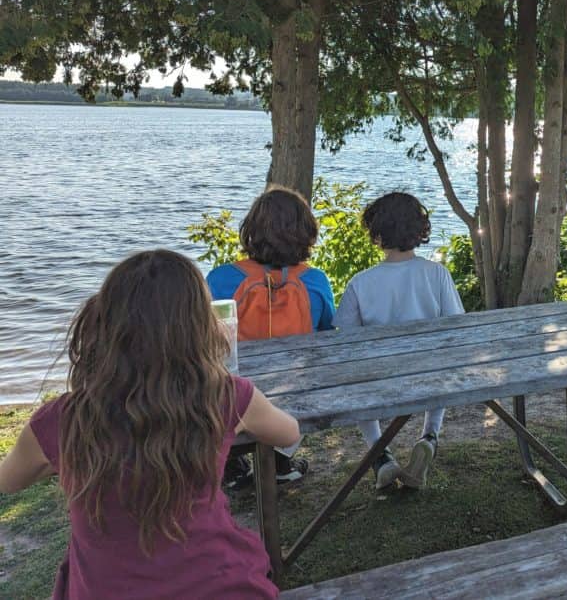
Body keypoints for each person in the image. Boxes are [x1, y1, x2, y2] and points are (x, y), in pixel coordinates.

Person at [0, 250, 300, 599]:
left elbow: (8, 481)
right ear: (198, 326)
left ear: (105, 323)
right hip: (222, 585)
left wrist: (62, 461)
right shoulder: (225, 396)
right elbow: (288, 432)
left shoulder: (60, 420)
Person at [207, 186, 336, 486]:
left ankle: (231, 464)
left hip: (233, 395)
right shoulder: (315, 281)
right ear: (306, 233)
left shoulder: (221, 278)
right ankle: (281, 460)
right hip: (296, 395)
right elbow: (328, 332)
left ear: (251, 231)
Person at [335, 191, 464, 490]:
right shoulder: (437, 274)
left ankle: (381, 455)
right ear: (419, 231)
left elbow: (346, 341)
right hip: (430, 376)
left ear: (377, 235)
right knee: (438, 361)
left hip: (379, 382)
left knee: (357, 380)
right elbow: (456, 327)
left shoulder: (360, 283)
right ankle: (430, 435)